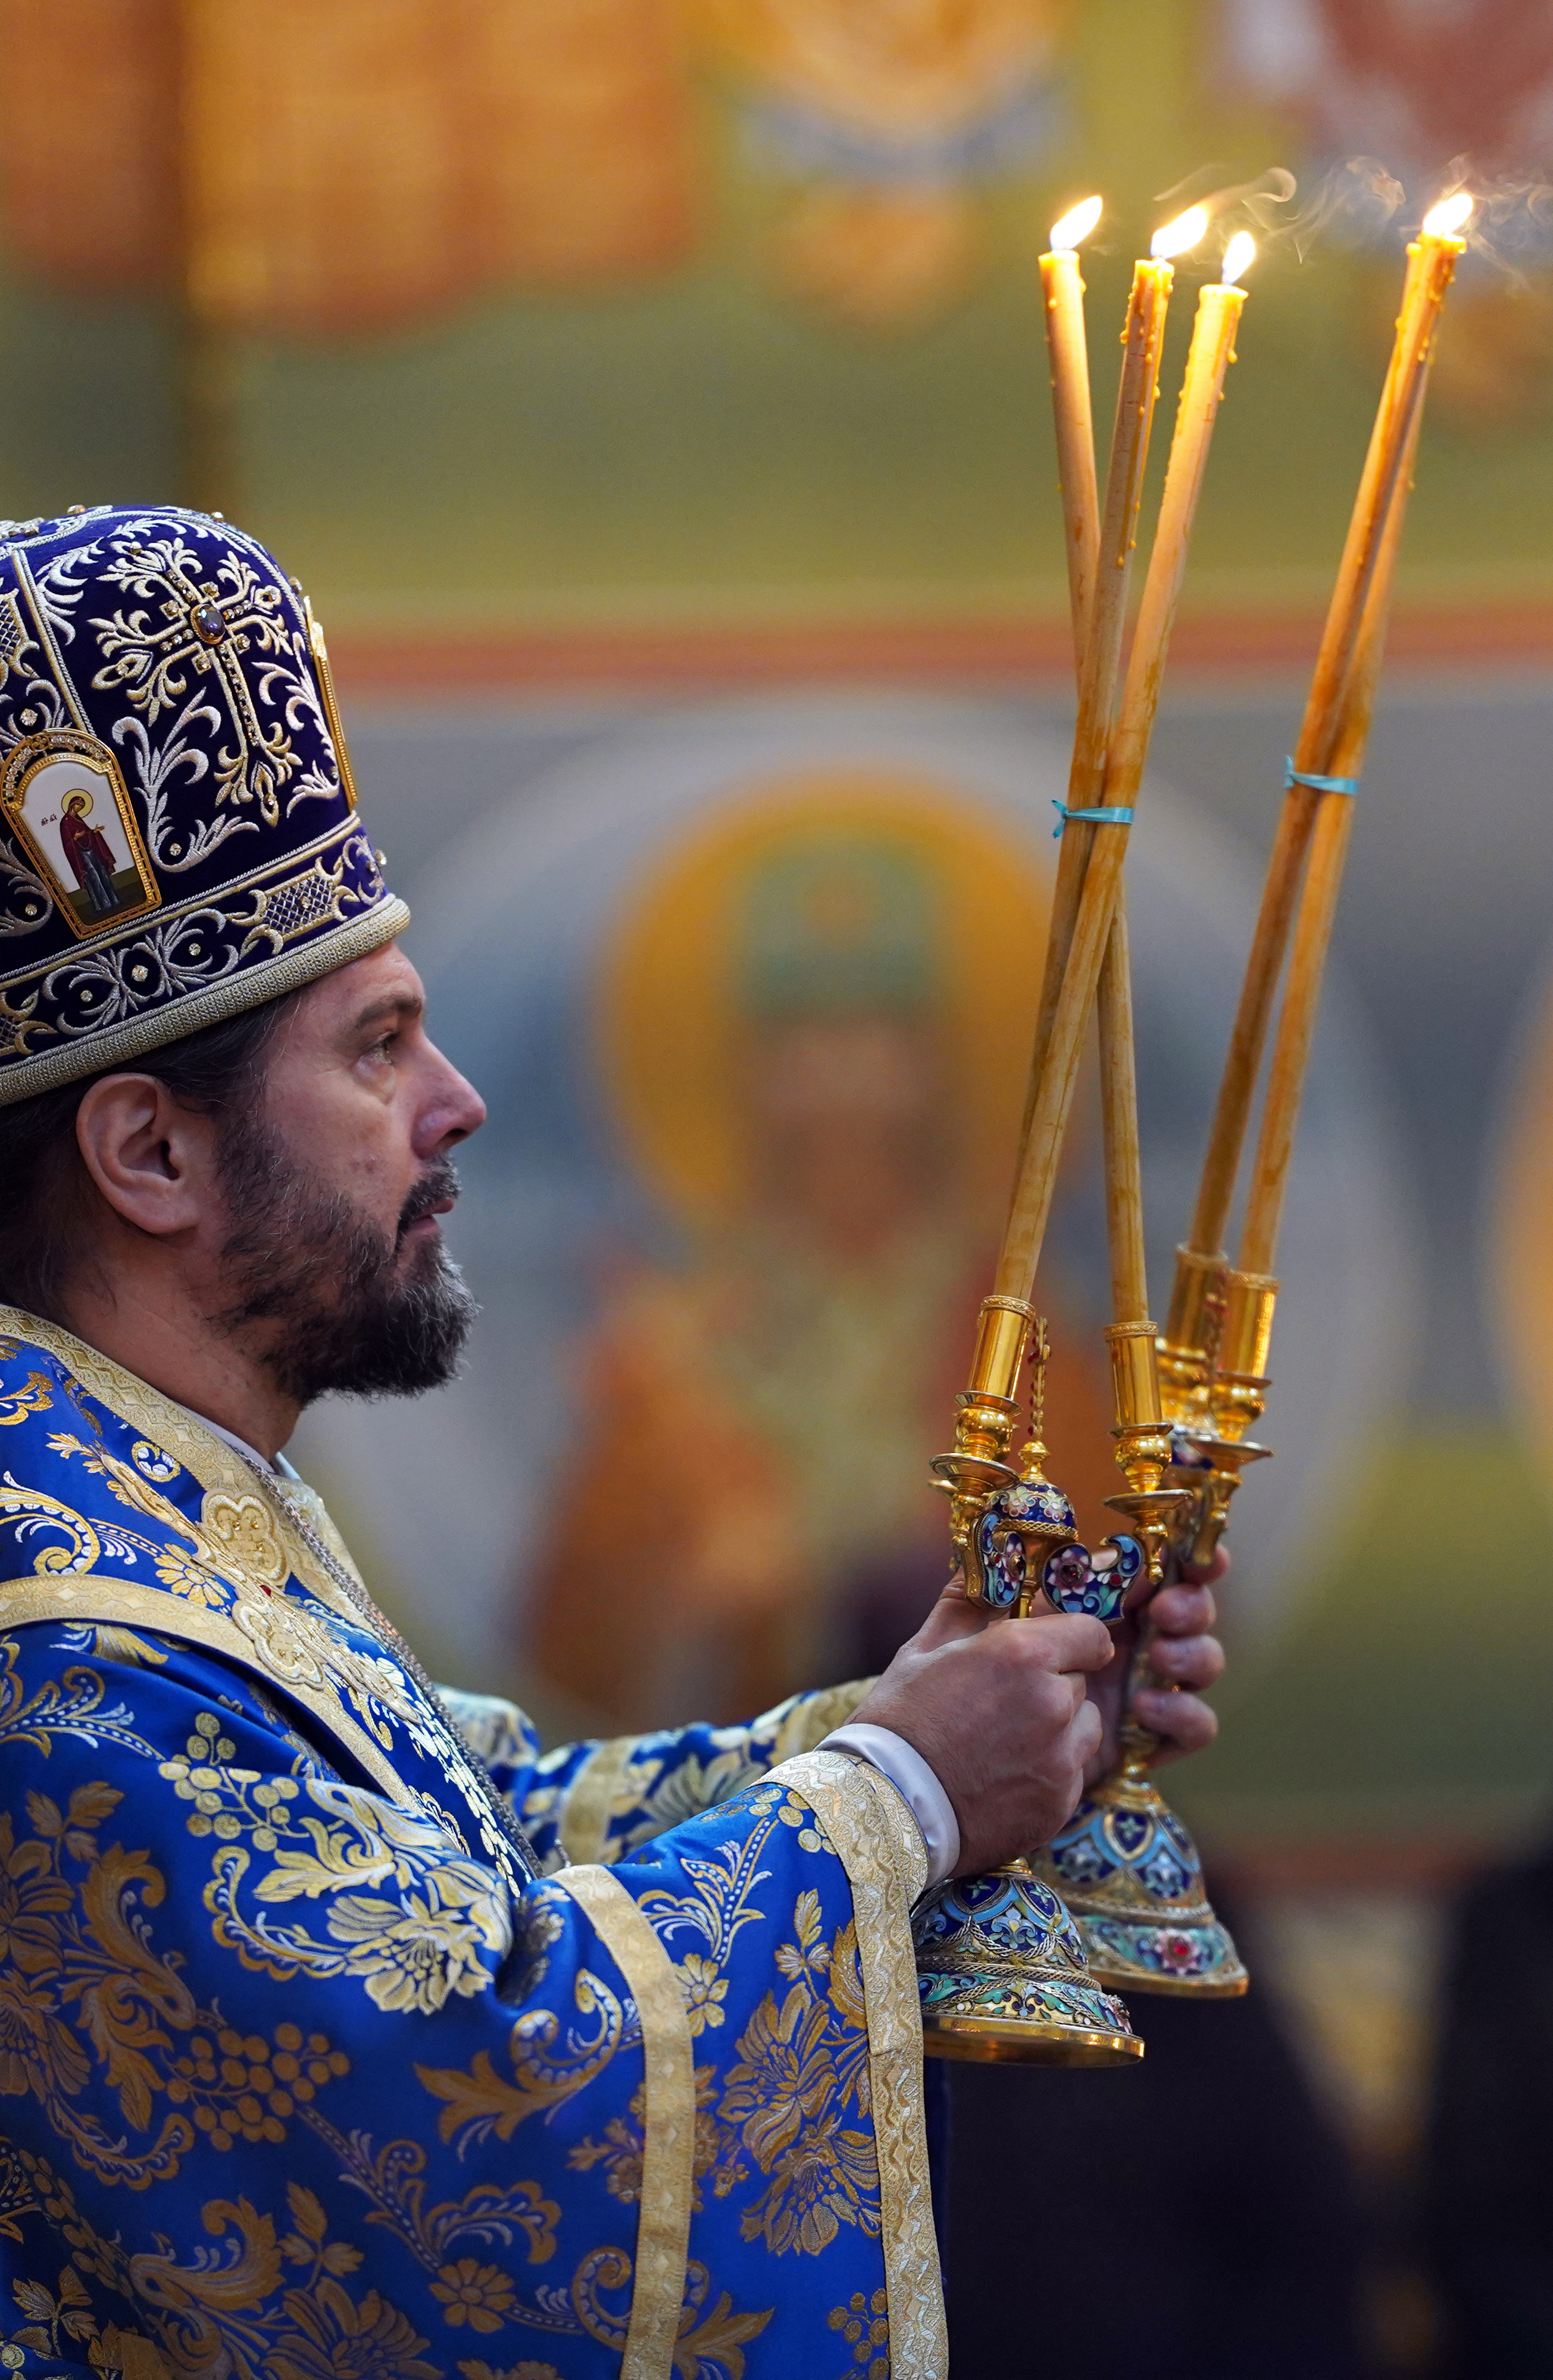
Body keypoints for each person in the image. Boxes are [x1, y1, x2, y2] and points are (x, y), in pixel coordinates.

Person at [0, 506, 1224, 2378]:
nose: (457, 1103)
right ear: (150, 1154)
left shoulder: (154, 1512)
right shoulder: (71, 1651)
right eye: (379, 1046)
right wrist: (895, 1797)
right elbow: (482, 2108)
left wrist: (935, 1715)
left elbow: (475, 1843)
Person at [57, 787, 120, 917]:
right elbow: (67, 842)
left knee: (102, 872)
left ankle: (114, 900)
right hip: (81, 854)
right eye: (78, 805)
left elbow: (87, 833)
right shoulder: (65, 822)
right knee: (94, 877)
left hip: (91, 850)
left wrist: (94, 832)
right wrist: (75, 838)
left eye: (81, 806)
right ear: (72, 805)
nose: (79, 808)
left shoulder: (79, 819)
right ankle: (104, 904)